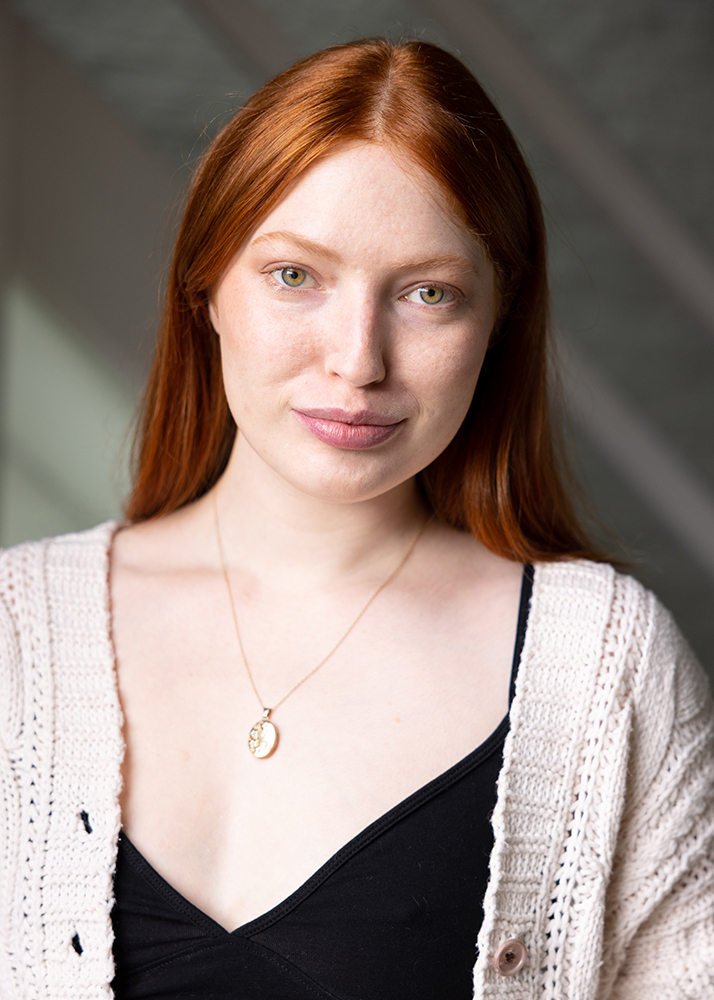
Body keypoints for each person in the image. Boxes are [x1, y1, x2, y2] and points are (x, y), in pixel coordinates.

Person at [1, 37, 713, 1000]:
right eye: (295, 276)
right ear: (206, 289)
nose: (358, 361)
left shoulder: (606, 668)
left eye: (429, 294)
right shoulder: (15, 632)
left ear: (498, 320)